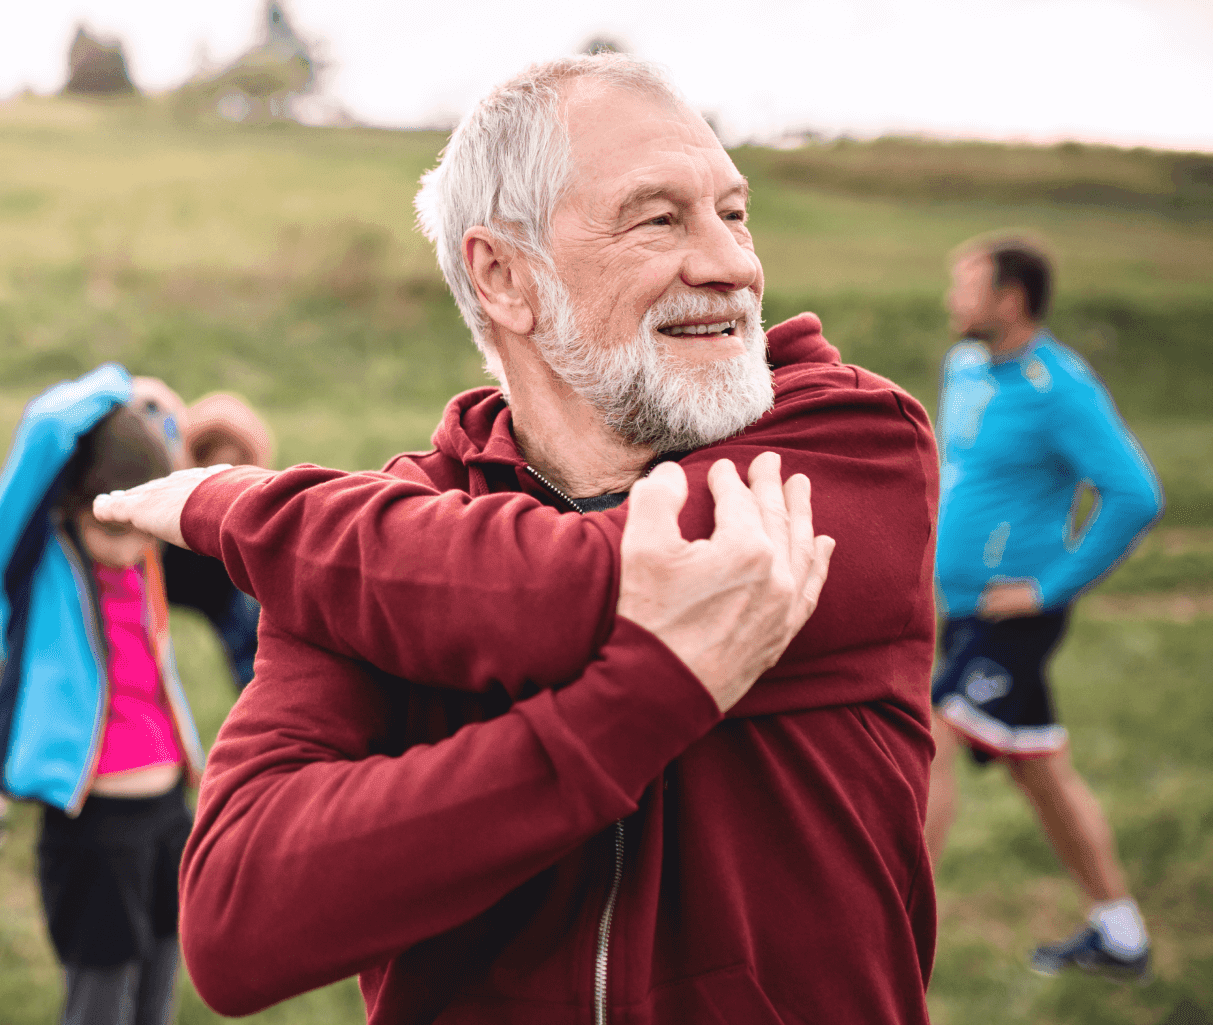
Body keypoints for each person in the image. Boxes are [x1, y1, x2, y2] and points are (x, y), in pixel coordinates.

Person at [93, 54, 942, 1024]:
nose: (733, 264)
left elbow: (574, 592)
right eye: (660, 218)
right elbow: (237, 924)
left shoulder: (849, 441)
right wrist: (642, 700)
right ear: (503, 275)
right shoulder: (376, 549)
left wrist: (243, 507)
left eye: (735, 212)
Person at [925, 234, 1162, 981]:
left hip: (1013, 616)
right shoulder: (963, 368)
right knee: (1041, 771)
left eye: (968, 287)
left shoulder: (1061, 386)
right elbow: (963, 481)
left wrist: (1049, 587)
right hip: (960, 608)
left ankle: (892, 940)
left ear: (1011, 299)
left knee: (928, 737)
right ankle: (1120, 934)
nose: (952, 300)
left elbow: (1135, 495)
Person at [0, 364, 207, 1025]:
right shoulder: (31, 570)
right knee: (101, 998)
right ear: (71, 503)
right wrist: (123, 387)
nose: (133, 549)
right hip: (95, 829)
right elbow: (46, 425)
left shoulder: (145, 558)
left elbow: (170, 461)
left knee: (160, 989)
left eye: (142, 530)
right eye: (115, 530)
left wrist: (160, 417)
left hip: (169, 810)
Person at [161, 392, 272, 689]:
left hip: (217, 583)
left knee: (253, 648)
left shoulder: (243, 533)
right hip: (171, 568)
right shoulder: (161, 505)